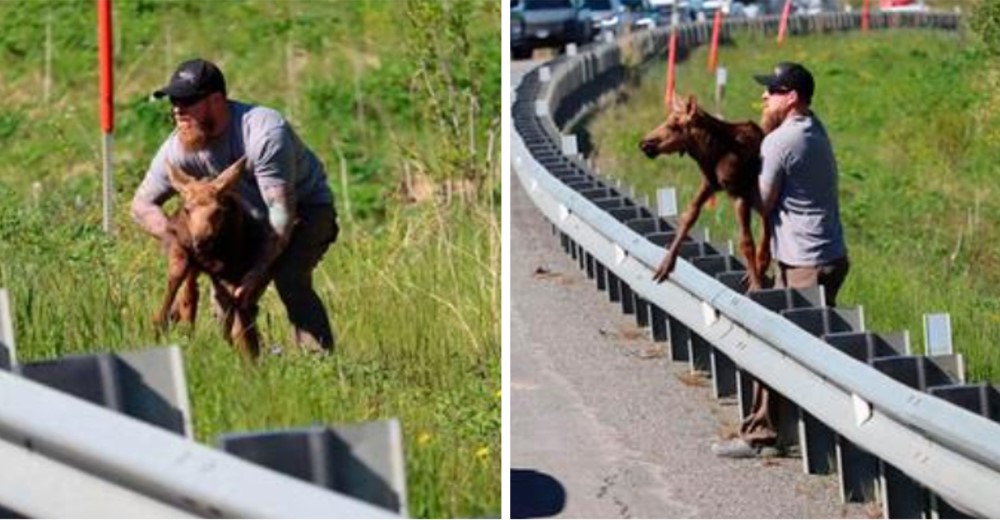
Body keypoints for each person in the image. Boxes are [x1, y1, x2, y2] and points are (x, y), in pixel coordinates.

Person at [131, 58, 339, 353]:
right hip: (244, 223)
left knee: (289, 275)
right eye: (174, 101)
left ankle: (321, 366)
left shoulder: (264, 134)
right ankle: (256, 375)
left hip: (304, 211)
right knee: (228, 301)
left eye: (188, 100)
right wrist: (180, 244)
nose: (178, 109)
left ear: (216, 100)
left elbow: (282, 216)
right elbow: (141, 206)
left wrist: (258, 269)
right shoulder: (179, 149)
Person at [712, 62, 849, 458]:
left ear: (791, 98)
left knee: (778, 347)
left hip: (805, 261)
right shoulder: (812, 127)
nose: (763, 97)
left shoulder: (780, 142)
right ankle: (771, 433)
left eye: (772, 90)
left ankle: (767, 436)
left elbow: (764, 201)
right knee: (792, 346)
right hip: (825, 254)